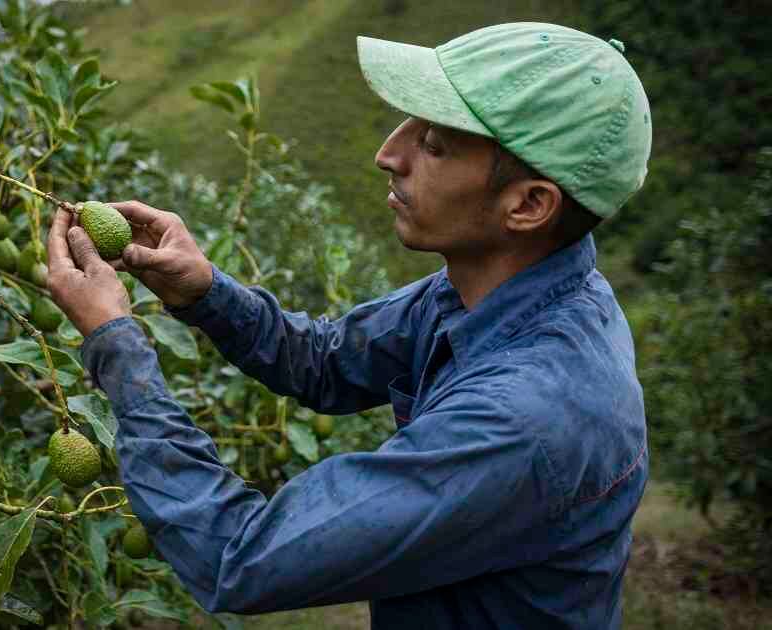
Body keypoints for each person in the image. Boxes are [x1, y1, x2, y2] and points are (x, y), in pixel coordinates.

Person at [45, 22, 651, 629]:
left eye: (435, 145)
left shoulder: (526, 419)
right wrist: (204, 291)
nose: (388, 154)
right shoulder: (495, 289)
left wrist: (115, 342)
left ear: (528, 205)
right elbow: (329, 359)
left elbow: (240, 555)